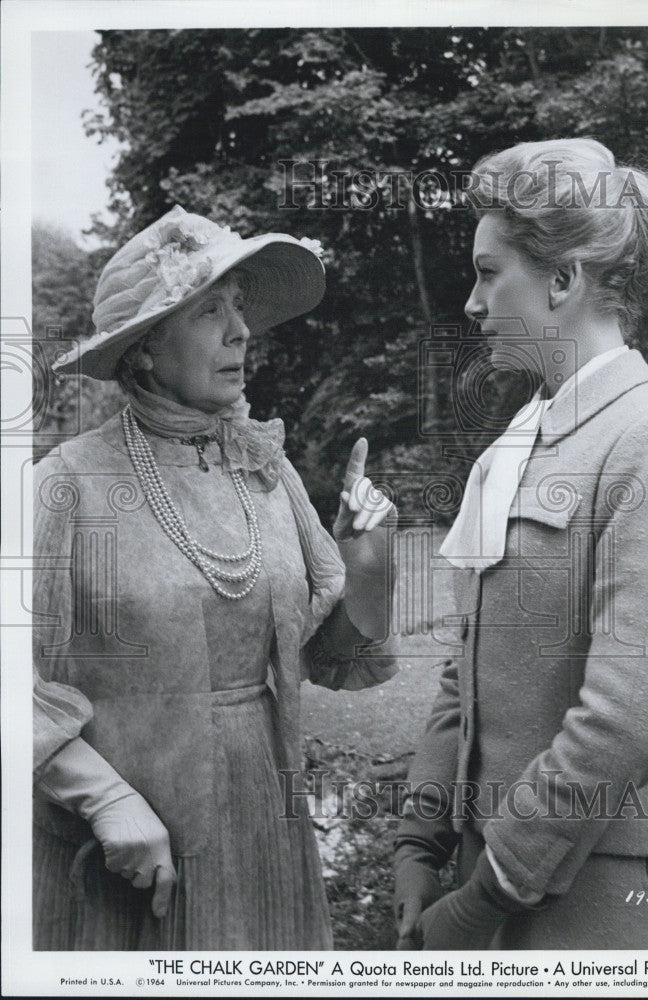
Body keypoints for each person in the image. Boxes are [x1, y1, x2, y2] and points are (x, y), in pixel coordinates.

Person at [393, 138, 648, 950]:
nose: (471, 304)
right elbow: (461, 673)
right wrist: (420, 843)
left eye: (486, 272)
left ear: (563, 279)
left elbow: (626, 719)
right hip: (490, 875)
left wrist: (481, 900)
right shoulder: (515, 445)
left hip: (601, 892)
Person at [32, 205, 397, 950]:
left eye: (239, 309)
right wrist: (104, 802)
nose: (240, 332)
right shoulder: (64, 484)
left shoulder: (264, 467)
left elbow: (324, 658)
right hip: (128, 852)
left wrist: (369, 573)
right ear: (143, 350)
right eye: (209, 312)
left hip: (263, 816)